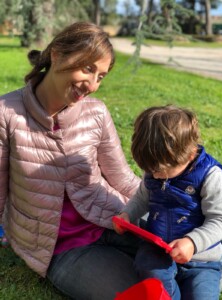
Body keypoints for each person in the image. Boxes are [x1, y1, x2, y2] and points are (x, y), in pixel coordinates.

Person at [0, 22, 142, 300]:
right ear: (57, 54)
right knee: (139, 295)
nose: (92, 85)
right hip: (60, 246)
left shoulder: (96, 112)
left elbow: (122, 177)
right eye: (87, 69)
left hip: (113, 219)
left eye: (101, 76)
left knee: (194, 260)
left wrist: (164, 207)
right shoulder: (6, 113)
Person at [114, 105, 222, 300]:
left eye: (159, 171)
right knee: (151, 274)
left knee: (202, 295)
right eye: (150, 170)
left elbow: (220, 220)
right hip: (158, 249)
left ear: (189, 155)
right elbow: (142, 197)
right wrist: (127, 214)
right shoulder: (155, 168)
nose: (154, 175)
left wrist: (192, 242)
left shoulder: (210, 176)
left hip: (202, 261)